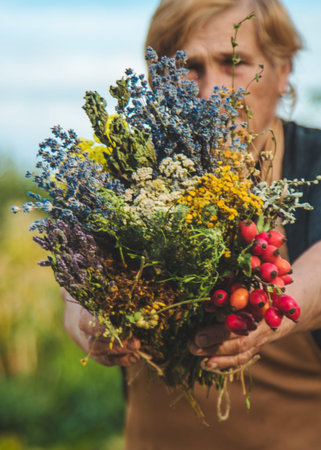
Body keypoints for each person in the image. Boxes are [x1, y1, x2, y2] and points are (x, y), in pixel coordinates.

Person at [63, 0, 321, 448]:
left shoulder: (314, 165)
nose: (211, 91)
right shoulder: (130, 172)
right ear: (157, 82)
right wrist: (87, 316)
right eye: (189, 68)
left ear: (282, 73)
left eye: (233, 62)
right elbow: (77, 269)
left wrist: (277, 308)